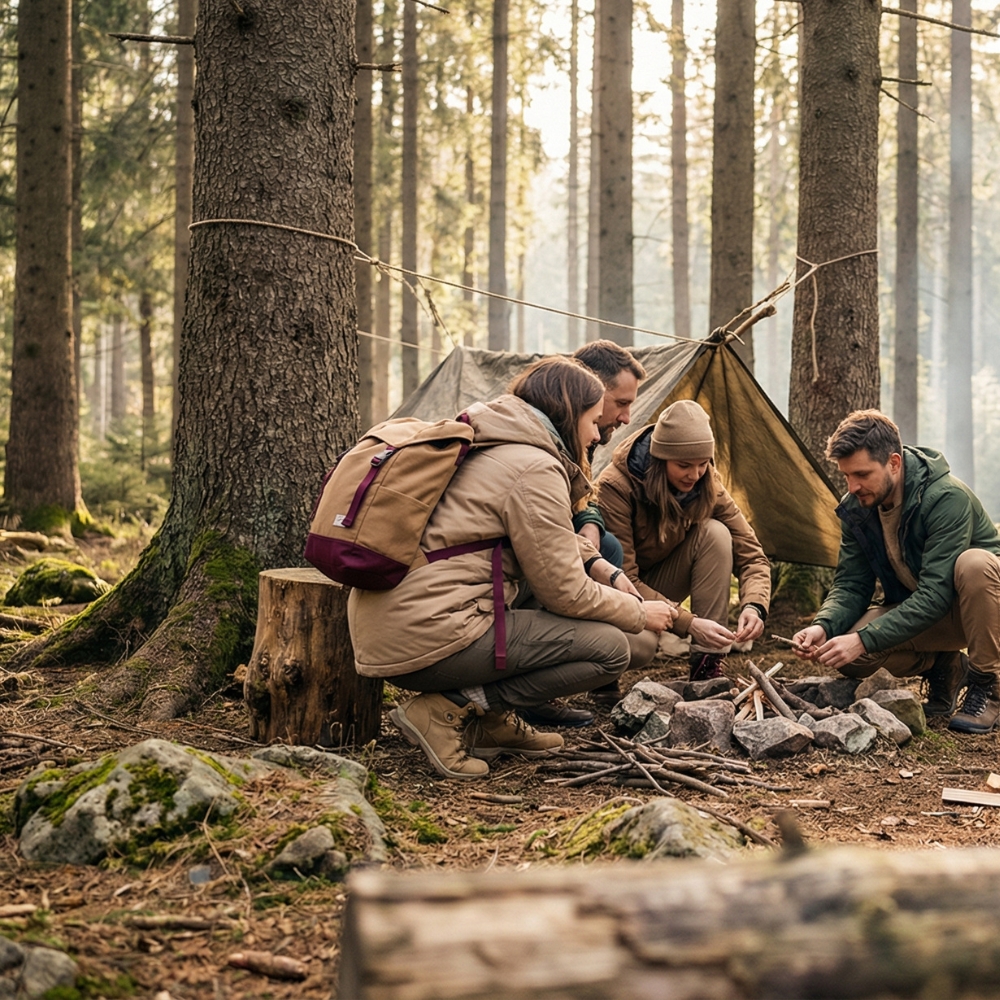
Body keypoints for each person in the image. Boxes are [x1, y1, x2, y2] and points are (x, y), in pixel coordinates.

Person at [348, 357, 674, 780]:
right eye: (594, 420)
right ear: (569, 412)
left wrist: (603, 567)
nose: (598, 433)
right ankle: (446, 711)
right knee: (612, 647)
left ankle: (489, 723)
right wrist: (638, 612)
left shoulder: (495, 442)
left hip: (398, 627)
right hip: (431, 636)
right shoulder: (533, 466)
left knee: (587, 627)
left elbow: (546, 535)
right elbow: (565, 592)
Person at [792, 410, 1000, 734]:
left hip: (982, 612)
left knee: (974, 564)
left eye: (861, 474)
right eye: (846, 475)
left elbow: (935, 595)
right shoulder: (858, 507)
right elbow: (850, 583)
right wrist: (823, 625)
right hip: (934, 612)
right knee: (847, 654)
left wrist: (863, 639)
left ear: (893, 462)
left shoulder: (946, 498)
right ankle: (945, 665)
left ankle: (988, 685)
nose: (853, 486)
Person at [518, 340, 647, 727]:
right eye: (621, 403)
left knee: (604, 545)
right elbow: (544, 526)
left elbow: (581, 495)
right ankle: (525, 688)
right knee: (615, 641)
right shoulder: (536, 449)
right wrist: (638, 611)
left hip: (557, 542)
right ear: (588, 392)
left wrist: (590, 524)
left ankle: (590, 677)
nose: (626, 417)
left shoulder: (571, 437)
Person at [596, 399, 771, 682]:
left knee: (716, 533)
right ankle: (604, 678)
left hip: (661, 580)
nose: (695, 474)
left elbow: (751, 553)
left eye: (703, 464)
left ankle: (707, 665)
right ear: (660, 459)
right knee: (643, 646)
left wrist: (754, 605)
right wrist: (688, 623)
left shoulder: (706, 482)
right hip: (619, 591)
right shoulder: (616, 487)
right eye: (684, 465)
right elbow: (622, 578)